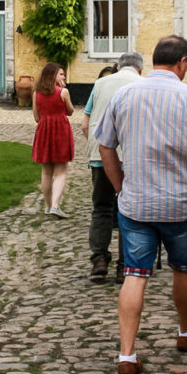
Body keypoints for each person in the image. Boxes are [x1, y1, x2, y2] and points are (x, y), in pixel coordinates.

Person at [95, 36, 187, 374]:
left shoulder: (124, 95)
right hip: (182, 204)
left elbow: (105, 145)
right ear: (182, 62)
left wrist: (119, 184)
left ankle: (127, 354)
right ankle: (185, 332)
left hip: (136, 203)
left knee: (135, 275)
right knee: (185, 269)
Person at [82, 53, 144, 284]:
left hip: (100, 155)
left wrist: (94, 149)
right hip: (130, 158)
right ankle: (124, 266)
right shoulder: (141, 84)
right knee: (127, 212)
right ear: (140, 69)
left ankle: (99, 260)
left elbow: (85, 124)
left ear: (118, 67)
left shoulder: (100, 83)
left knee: (101, 208)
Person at [32, 62, 75, 218]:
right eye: (61, 74)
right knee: (61, 170)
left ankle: (48, 205)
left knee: (46, 171)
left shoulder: (36, 93)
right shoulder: (63, 92)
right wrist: (64, 91)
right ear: (53, 76)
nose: (63, 76)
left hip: (43, 131)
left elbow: (37, 117)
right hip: (60, 131)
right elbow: (70, 111)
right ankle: (55, 206)